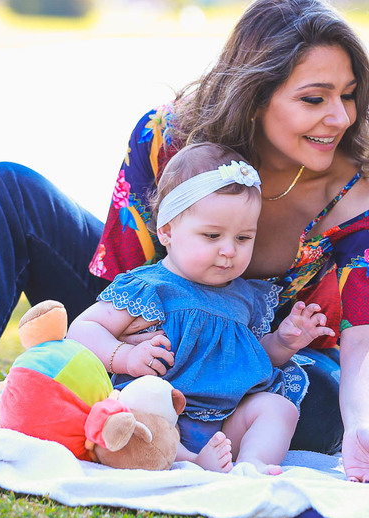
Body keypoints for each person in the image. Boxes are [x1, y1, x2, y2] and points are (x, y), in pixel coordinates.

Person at [0, 0, 369, 484]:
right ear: (257, 95)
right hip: (141, 337)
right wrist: (122, 354)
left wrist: (363, 424)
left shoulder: (356, 190)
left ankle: (177, 440)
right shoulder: (167, 140)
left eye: (349, 96)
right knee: (6, 187)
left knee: (321, 401)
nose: (339, 116)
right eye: (315, 99)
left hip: (260, 368)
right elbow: (123, 278)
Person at [68, 143, 333, 474]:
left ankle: (251, 466)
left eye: (243, 238)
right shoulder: (150, 288)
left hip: (224, 426)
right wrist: (124, 356)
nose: (228, 251)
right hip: (161, 418)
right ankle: (189, 462)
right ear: (166, 231)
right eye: (212, 235)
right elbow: (80, 330)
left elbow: (253, 358)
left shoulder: (246, 298)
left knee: (278, 408)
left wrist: (283, 342)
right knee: (138, 402)